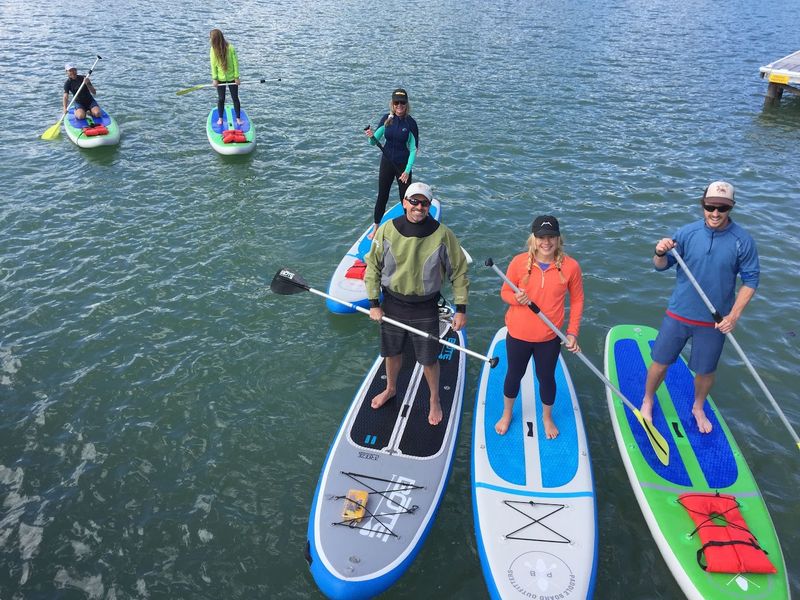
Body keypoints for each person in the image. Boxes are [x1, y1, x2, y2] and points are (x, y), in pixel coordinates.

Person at [640, 181, 759, 434]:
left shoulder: (743, 241)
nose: (715, 213)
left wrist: (733, 316)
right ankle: (648, 399)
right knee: (660, 362)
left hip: (714, 321)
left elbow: (751, 280)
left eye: (722, 208)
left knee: (705, 371)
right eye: (710, 207)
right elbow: (660, 266)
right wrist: (659, 252)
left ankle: (698, 407)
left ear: (731, 208)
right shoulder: (686, 233)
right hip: (678, 313)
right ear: (702, 205)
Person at [364, 182, 468, 426]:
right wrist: (373, 303)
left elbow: (459, 272)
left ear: (429, 206)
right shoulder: (387, 229)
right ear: (404, 203)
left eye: (424, 203)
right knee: (391, 353)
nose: (419, 207)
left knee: (428, 359)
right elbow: (373, 268)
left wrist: (461, 309)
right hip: (392, 303)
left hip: (425, 307)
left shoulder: (444, 235)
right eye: (414, 202)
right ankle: (390, 388)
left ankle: (434, 399)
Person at [495, 216, 584, 439]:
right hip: (518, 335)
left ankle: (547, 417)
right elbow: (504, 293)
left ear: (558, 238)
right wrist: (517, 298)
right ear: (533, 239)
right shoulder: (518, 262)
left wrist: (572, 332)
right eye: (541, 237)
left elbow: (577, 301)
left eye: (551, 237)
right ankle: (507, 414)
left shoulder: (571, 267)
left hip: (549, 337)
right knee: (513, 375)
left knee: (546, 378)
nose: (546, 242)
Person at [364, 88, 419, 237]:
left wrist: (407, 171)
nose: (399, 105)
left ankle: (409, 226)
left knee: (405, 198)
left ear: (406, 104)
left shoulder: (411, 123)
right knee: (382, 195)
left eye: (402, 102)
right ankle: (376, 228)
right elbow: (372, 141)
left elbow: (414, 149)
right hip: (387, 163)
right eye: (396, 102)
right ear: (392, 104)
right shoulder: (386, 119)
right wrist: (370, 136)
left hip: (403, 166)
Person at [210, 29, 242, 126]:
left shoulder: (230, 48)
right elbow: (213, 65)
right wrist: (215, 79)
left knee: (235, 97)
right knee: (221, 98)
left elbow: (235, 63)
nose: (210, 40)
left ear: (215, 39)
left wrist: (236, 77)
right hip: (220, 79)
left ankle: (238, 118)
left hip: (232, 77)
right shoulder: (213, 50)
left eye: (211, 38)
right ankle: (220, 118)